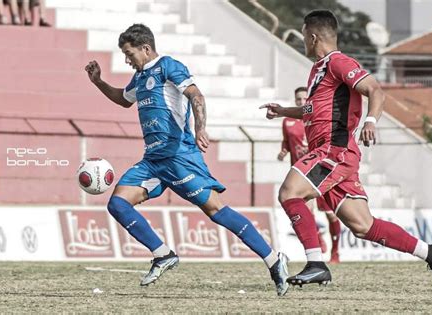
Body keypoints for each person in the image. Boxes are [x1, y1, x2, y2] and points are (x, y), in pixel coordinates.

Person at [85, 24, 289, 296]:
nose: (126, 60)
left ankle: (273, 259)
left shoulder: (168, 66)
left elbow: (196, 95)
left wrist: (200, 128)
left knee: (216, 211)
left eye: (129, 53)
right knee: (118, 203)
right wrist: (99, 82)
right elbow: (123, 100)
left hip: (180, 156)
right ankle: (162, 253)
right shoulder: (139, 77)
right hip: (153, 160)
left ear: (146, 49)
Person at [260, 10, 432, 293]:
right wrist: (284, 112)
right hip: (332, 153)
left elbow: (375, 90)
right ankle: (431, 251)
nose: (303, 42)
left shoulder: (338, 62)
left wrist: (370, 120)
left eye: (303, 37)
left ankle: (316, 262)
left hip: (333, 150)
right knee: (362, 225)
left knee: (289, 192)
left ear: (312, 37)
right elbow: (316, 111)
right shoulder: (319, 69)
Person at [278, 86, 341, 263]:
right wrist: (283, 151)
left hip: (321, 171)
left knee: (331, 214)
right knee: (305, 210)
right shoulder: (288, 121)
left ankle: (336, 252)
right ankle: (318, 241)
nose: (301, 102)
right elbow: (286, 142)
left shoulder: (317, 118)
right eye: (298, 99)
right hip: (303, 176)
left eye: (304, 99)